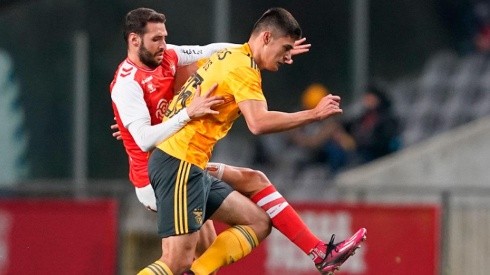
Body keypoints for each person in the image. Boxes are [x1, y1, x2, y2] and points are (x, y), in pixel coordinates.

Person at [143, 7, 367, 275]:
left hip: (189, 163)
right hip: (178, 163)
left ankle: (320, 252)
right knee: (175, 261)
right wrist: (314, 114)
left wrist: (280, 50)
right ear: (267, 38)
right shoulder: (243, 68)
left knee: (258, 219)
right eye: (284, 48)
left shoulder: (229, 56)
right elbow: (258, 123)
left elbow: (186, 78)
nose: (286, 57)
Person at [343, 83, 401, 165]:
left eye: (369, 97)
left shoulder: (385, 117)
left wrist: (359, 143)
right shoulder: (364, 117)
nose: (366, 100)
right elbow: (348, 125)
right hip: (360, 150)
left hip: (375, 153)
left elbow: (383, 139)